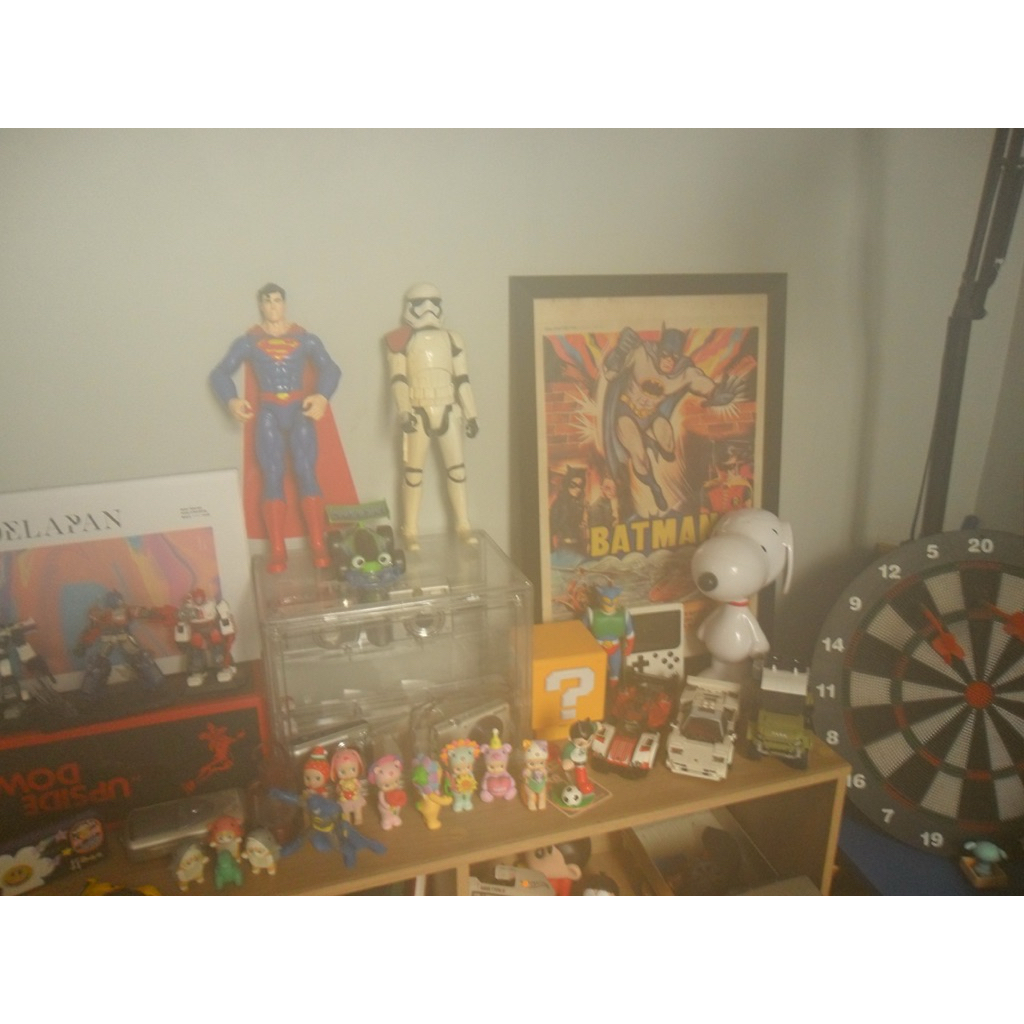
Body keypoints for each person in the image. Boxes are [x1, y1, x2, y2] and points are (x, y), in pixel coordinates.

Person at [210, 284, 341, 572]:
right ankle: (277, 549)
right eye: (267, 301)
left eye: (277, 300)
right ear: (261, 305)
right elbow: (220, 373)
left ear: (284, 304)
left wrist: (321, 396)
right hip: (268, 410)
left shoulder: (305, 339)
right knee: (272, 475)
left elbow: (331, 368)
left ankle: (318, 544)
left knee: (306, 471)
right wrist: (231, 400)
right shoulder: (249, 342)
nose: (272, 306)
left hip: (299, 409)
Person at [384, 284, 479, 550]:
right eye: (421, 303)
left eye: (433, 302)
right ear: (410, 307)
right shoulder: (400, 340)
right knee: (413, 474)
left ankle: (463, 524)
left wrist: (472, 414)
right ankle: (410, 529)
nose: (428, 309)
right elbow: (398, 378)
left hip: (448, 407)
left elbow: (462, 379)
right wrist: (404, 410)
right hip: (418, 410)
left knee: (457, 471)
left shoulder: (453, 339)